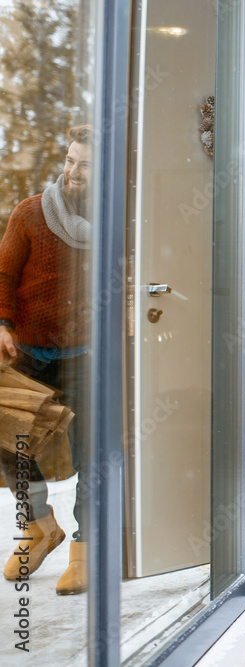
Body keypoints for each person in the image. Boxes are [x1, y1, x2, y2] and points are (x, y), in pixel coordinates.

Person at [0, 124, 92, 595]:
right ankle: (39, 527)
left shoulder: (114, 222)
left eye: (86, 164)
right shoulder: (30, 213)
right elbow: (4, 274)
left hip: (87, 355)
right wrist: (2, 324)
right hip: (30, 352)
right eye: (70, 161)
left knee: (91, 452)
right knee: (9, 440)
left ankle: (84, 545)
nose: (74, 172)